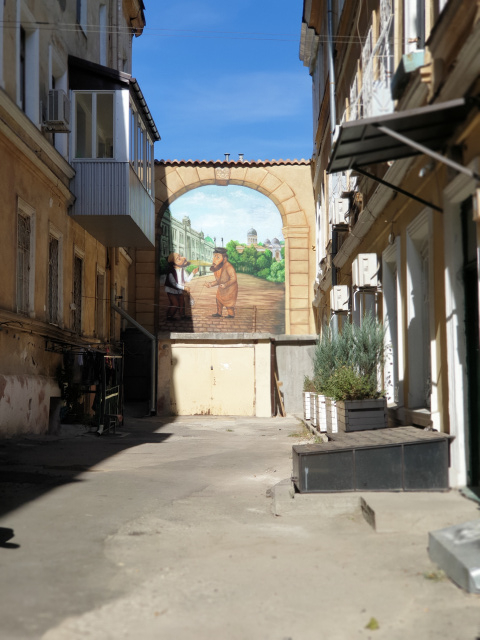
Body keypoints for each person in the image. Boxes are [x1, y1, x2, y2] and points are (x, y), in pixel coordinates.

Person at [204, 247, 238, 319]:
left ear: (224, 258)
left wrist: (226, 284)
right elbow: (219, 280)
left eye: (218, 257)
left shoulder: (228, 266)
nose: (215, 259)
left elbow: (234, 278)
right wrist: (211, 284)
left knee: (229, 302)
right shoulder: (218, 267)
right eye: (214, 256)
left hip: (230, 288)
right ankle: (219, 313)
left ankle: (231, 314)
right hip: (222, 288)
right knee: (218, 299)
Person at [164, 252, 198, 320]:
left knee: (182, 303)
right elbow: (174, 284)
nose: (182, 258)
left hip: (179, 290)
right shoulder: (171, 272)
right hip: (171, 290)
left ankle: (182, 315)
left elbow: (187, 279)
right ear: (173, 264)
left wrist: (193, 273)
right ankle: (169, 316)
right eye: (178, 259)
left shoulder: (182, 270)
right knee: (175, 304)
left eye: (180, 256)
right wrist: (184, 287)